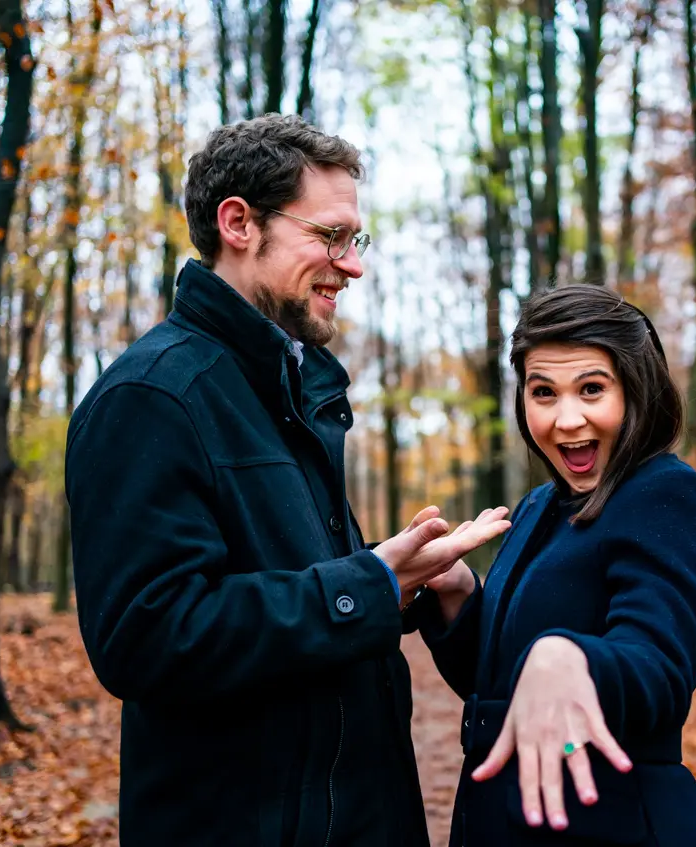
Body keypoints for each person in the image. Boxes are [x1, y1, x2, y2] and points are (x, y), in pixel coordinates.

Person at [63, 114, 511, 847]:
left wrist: (406, 579)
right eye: (330, 236)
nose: (353, 264)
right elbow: (145, 636)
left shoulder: (292, 389)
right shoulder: (152, 397)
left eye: (354, 240)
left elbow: (282, 583)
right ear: (238, 223)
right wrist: (363, 584)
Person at [410, 285, 696, 846]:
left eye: (592, 389)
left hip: (610, 822)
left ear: (637, 391)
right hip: (502, 821)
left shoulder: (667, 494)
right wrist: (458, 594)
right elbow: (500, 689)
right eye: (543, 392)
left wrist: (574, 658)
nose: (566, 418)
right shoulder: (539, 506)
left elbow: (660, 668)